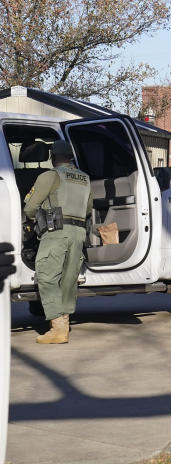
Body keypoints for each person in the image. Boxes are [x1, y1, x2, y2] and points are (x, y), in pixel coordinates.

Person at [23, 139, 92, 344]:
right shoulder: (85, 179)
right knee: (69, 279)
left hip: (56, 232)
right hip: (79, 232)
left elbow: (30, 208)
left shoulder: (50, 176)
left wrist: (37, 219)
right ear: (71, 156)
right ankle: (64, 323)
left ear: (53, 156)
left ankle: (58, 328)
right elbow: (88, 209)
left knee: (46, 275)